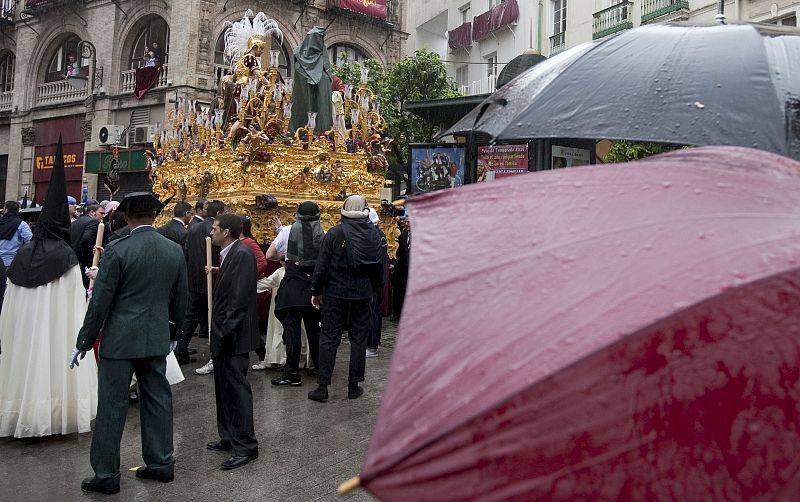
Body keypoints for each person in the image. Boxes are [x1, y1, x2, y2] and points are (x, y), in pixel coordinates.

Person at [73, 192, 188, 495]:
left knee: (112, 405)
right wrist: (174, 334)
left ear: (125, 217)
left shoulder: (118, 249)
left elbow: (101, 300)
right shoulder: (173, 250)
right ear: (155, 215)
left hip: (120, 340)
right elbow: (181, 298)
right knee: (158, 400)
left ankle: (107, 474)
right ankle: (162, 462)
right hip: (156, 336)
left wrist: (84, 340)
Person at [0, 139, 98, 437]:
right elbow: (74, 306)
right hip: (56, 329)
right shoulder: (65, 256)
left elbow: (10, 303)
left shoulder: (23, 253)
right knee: (49, 364)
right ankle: (51, 416)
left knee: (24, 364)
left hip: (24, 331)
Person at [308, 195, 385, 402]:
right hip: (362, 294)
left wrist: (316, 291)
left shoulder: (335, 233)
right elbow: (380, 269)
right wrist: (374, 290)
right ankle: (354, 385)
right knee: (358, 339)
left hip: (336, 294)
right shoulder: (375, 235)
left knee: (329, 338)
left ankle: (322, 386)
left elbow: (321, 267)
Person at [205, 213, 259, 470]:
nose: (211, 233)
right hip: (224, 334)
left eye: (214, 229)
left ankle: (246, 445)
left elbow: (238, 300)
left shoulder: (242, 255)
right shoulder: (229, 255)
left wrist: (224, 332)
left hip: (232, 336)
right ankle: (228, 435)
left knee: (236, 390)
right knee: (223, 388)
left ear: (226, 232)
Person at [271, 201, 323, 387]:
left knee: (291, 330)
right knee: (314, 331)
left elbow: (272, 254)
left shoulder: (287, 230)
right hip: (313, 286)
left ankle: (291, 373)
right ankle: (319, 368)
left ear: (297, 214)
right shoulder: (322, 233)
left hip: (293, 284)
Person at [176, 200, 224, 367]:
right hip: (212, 277)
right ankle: (216, 353)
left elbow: (186, 252)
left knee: (191, 317)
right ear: (219, 213)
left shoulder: (193, 228)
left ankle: (181, 350)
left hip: (195, 279)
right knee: (216, 316)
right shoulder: (216, 231)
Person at [0, 200, 33, 314]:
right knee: (8, 292)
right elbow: (30, 241)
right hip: (12, 262)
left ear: (6, 210)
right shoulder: (21, 224)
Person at [366, 207, 388, 357]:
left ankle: (371, 344)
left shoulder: (374, 236)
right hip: (377, 279)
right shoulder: (379, 234)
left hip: (372, 280)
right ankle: (371, 343)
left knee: (372, 312)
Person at [71, 203, 106, 288]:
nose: (103, 216)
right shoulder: (93, 222)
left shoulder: (76, 221)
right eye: (101, 213)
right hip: (85, 262)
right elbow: (86, 239)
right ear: (92, 213)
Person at [391, 210, 410, 320]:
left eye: (408, 222)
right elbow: (399, 253)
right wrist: (395, 264)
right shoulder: (403, 235)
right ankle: (398, 313)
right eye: (405, 222)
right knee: (400, 291)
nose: (406, 224)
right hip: (402, 269)